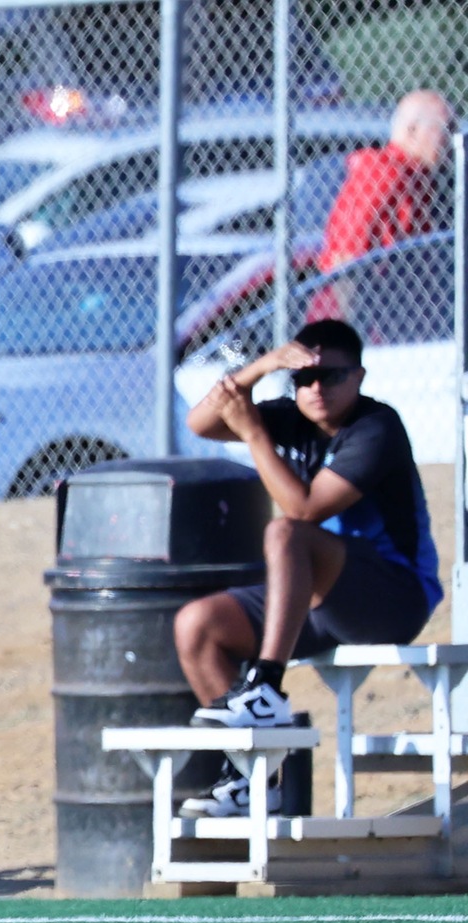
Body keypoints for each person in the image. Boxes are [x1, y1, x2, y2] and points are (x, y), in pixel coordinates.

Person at [173, 318, 440, 817]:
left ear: (358, 377)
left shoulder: (376, 427)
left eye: (332, 377)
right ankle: (252, 781)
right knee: (197, 627)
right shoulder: (292, 417)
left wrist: (254, 434)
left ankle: (266, 690)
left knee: (284, 531)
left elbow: (304, 510)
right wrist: (264, 366)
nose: (317, 389)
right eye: (303, 379)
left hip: (392, 597)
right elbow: (201, 422)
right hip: (318, 597)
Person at [320, 90, 454, 277]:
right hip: (366, 298)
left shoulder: (418, 180)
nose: (453, 140)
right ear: (412, 130)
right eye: (447, 128)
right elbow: (346, 257)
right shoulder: (383, 174)